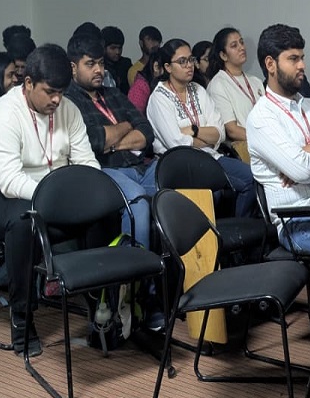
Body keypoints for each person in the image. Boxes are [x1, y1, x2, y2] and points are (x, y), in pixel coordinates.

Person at [0, 44, 100, 355]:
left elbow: (87, 164)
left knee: (102, 212)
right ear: (28, 83)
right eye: (50, 92)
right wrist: (59, 200)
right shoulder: (3, 114)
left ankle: (100, 308)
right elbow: (11, 181)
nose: (57, 100)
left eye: (61, 92)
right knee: (25, 221)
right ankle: (22, 317)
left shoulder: (68, 110)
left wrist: (88, 194)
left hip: (51, 191)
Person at [246, 24, 310, 254]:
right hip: (298, 222)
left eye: (302, 58)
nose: (302, 66)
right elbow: (302, 170)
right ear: (270, 64)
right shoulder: (261, 117)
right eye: (293, 59)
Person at [65, 35, 159, 258]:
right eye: (90, 64)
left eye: (101, 63)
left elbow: (146, 131)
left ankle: (179, 270)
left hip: (140, 167)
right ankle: (134, 271)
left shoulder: (114, 94)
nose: (99, 70)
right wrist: (126, 126)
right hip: (105, 170)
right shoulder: (69, 101)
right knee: (137, 200)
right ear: (73, 68)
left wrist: (115, 144)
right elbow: (95, 140)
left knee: (178, 183)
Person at [146, 39, 255, 218]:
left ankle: (238, 229)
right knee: (212, 193)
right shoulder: (159, 98)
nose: (189, 65)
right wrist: (205, 138)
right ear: (168, 67)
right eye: (182, 61)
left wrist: (194, 130)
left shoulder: (198, 90)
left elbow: (219, 133)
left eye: (191, 59)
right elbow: (176, 144)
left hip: (211, 157)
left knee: (251, 178)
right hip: (181, 165)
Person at [206, 27, 265, 162]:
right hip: (243, 150)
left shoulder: (256, 81)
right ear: (223, 55)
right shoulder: (218, 84)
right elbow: (232, 130)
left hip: (264, 144)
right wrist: (265, 140)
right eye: (234, 45)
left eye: (241, 42)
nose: (241, 47)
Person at [100, 26, 132, 94]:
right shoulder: (99, 66)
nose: (117, 52)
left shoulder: (126, 64)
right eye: (113, 48)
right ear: (103, 47)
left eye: (120, 48)